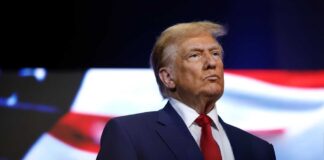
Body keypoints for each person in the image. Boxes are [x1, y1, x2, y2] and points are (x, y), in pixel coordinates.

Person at [96, 21, 276, 160]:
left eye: (215, 53)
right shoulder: (129, 134)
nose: (211, 63)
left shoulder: (259, 150)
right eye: (195, 55)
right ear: (168, 77)